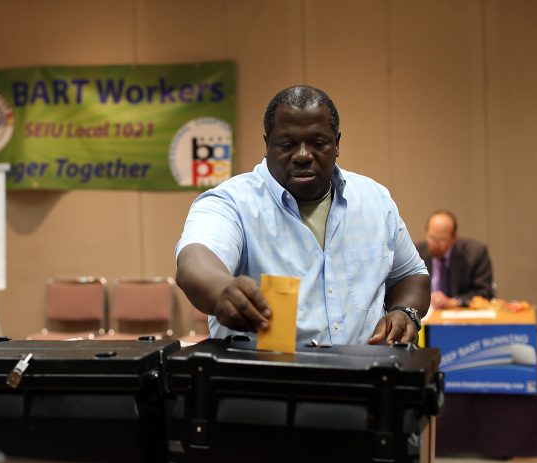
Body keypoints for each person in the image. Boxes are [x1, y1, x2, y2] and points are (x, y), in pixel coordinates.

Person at [175, 85, 430, 347]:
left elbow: (411, 275)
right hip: (265, 382)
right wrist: (221, 291)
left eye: (318, 144)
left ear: (337, 143)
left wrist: (405, 312)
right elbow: (193, 262)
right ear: (267, 144)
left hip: (365, 380)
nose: (303, 155)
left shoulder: (375, 200)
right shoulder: (231, 202)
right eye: (287, 144)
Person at [415, 210, 495, 309]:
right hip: (427, 315)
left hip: (459, 315)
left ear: (454, 238)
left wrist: (453, 302)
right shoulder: (416, 252)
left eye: (441, 240)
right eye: (431, 237)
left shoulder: (474, 254)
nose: (435, 244)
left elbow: (485, 293)